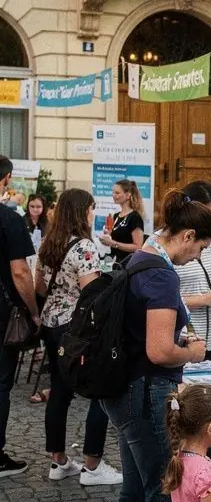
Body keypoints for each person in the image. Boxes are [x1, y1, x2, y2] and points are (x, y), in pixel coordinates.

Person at [101, 189, 211, 502]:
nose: (196, 258)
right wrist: (196, 353)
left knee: (134, 491)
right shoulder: (163, 277)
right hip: (147, 392)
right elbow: (160, 348)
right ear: (186, 235)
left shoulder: (141, 257)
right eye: (200, 247)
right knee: (159, 495)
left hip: (126, 389)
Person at [35, 189, 122, 486]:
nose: (93, 213)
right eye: (91, 208)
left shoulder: (49, 242)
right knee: (98, 388)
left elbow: (38, 284)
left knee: (59, 391)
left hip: (50, 322)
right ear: (81, 211)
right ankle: (92, 464)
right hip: (77, 327)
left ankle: (58, 461)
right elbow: (90, 292)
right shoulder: (84, 246)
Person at [0, 154, 39, 475]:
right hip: (3, 316)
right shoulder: (10, 219)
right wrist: (34, 311)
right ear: (6, 180)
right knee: (0, 383)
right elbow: (21, 274)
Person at [174, 181, 211, 359]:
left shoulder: (208, 241)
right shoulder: (164, 246)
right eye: (208, 214)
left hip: (207, 336)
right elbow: (161, 299)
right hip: (182, 339)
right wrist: (203, 299)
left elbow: (195, 278)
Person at [96, 179, 145, 263]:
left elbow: (138, 247)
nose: (113, 195)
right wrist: (107, 237)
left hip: (127, 264)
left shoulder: (134, 217)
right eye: (113, 192)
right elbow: (115, 239)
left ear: (128, 195)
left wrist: (113, 243)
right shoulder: (116, 216)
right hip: (113, 262)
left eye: (117, 193)